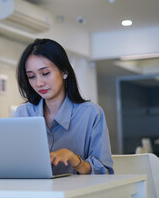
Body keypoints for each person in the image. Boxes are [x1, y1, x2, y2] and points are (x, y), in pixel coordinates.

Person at [15, 38, 114, 175]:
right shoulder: (23, 113)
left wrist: (73, 159)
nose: (39, 83)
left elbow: (105, 172)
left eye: (45, 73)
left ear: (64, 72)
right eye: (31, 76)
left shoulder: (91, 114)